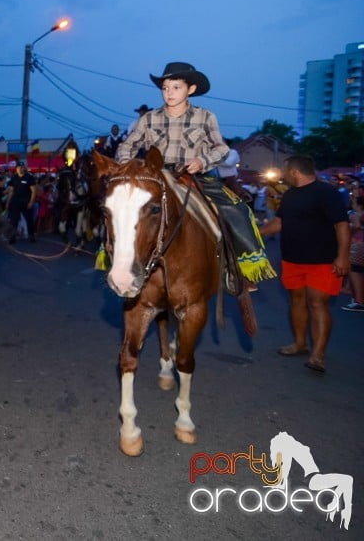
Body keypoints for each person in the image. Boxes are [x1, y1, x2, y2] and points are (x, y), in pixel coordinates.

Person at [116, 62, 275, 287]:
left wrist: (202, 161)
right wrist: (126, 168)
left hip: (194, 176)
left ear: (190, 89)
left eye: (176, 87)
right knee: (118, 205)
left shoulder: (205, 117)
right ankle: (114, 258)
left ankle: (240, 266)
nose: (169, 93)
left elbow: (221, 148)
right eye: (165, 88)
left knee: (236, 209)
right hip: (156, 176)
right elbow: (127, 146)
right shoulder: (149, 119)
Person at [259, 155, 350, 373]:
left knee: (317, 304)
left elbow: (342, 225)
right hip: (292, 258)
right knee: (297, 301)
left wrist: (342, 257)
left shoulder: (327, 193)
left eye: (285, 170)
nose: (283, 174)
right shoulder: (289, 195)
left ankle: (318, 355)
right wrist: (254, 234)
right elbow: (279, 223)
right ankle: (300, 344)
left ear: (294, 172)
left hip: (323, 260)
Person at [4, 162, 37, 243]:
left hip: (26, 202)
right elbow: (11, 191)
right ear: (16, 168)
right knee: (13, 220)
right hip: (15, 202)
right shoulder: (14, 178)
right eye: (19, 167)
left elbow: (34, 191)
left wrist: (31, 202)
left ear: (24, 168)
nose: (20, 169)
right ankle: (12, 237)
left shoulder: (29, 177)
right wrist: (8, 203)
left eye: (22, 167)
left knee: (29, 220)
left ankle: (31, 236)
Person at [343, 195, 364, 312]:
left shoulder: (356, 215)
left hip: (357, 246)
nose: (352, 202)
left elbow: (355, 227)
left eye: (354, 201)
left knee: (355, 272)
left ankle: (359, 301)